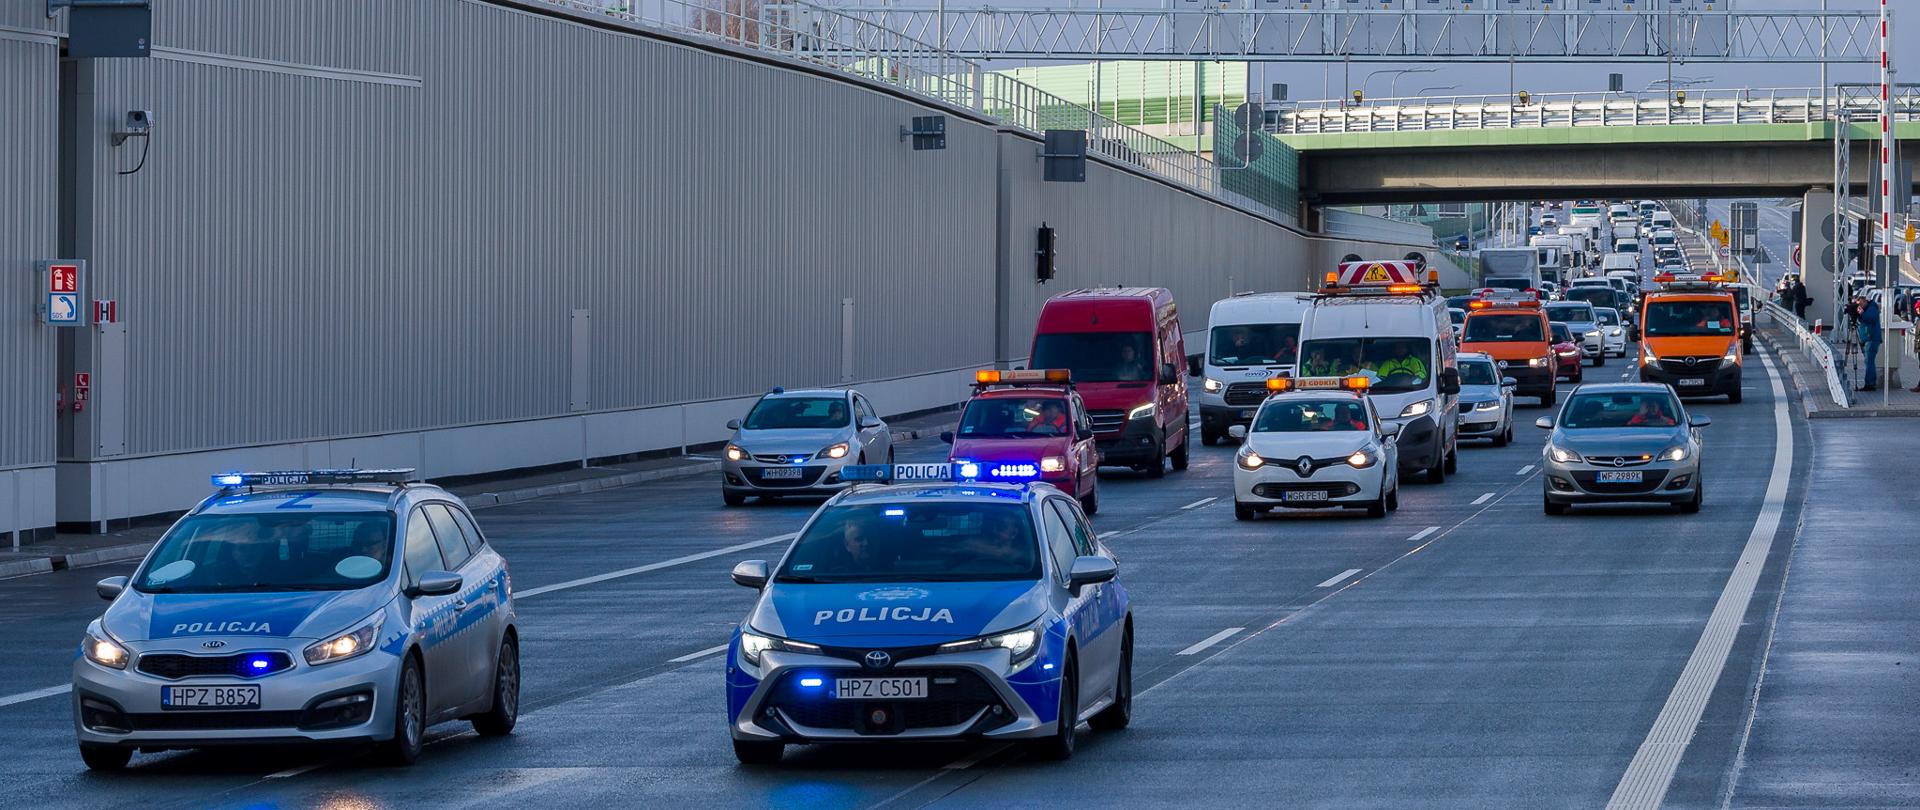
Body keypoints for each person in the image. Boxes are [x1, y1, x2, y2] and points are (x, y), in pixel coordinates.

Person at [1857, 295, 1882, 392]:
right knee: (1868, 361)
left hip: (1871, 339)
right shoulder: (1869, 308)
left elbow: (1871, 319)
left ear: (1864, 301)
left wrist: (1861, 313)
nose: (1860, 306)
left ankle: (1870, 384)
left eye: (1860, 304)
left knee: (1869, 362)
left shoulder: (1872, 308)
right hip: (1868, 338)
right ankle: (1870, 383)